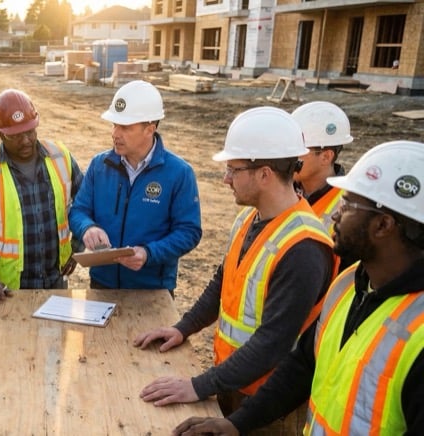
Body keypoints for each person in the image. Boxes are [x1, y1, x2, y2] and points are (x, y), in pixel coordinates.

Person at [173, 140, 424, 436]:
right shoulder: (350, 284)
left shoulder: (417, 332)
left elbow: (276, 343)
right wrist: (236, 423)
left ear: (383, 226)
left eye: (349, 204)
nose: (335, 212)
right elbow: (302, 366)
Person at [134, 107, 335, 433]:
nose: (226, 179)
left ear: (265, 174)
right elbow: (221, 282)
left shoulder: (304, 249)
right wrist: (183, 327)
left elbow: (272, 342)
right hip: (232, 381)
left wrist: (198, 386)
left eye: (233, 169)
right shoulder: (249, 218)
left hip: (267, 407)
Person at [68, 80, 202, 291]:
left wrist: (149, 253)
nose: (115, 133)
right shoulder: (99, 165)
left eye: (125, 127)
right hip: (102, 285)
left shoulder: (179, 173)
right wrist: (87, 227)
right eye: (114, 124)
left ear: (149, 129)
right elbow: (78, 210)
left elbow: (188, 232)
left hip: (152, 290)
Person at [0, 89, 84, 304]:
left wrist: (77, 247)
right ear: (0, 133)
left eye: (30, 132)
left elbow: (85, 204)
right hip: (8, 288)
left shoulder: (61, 157)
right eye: (15, 136)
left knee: (55, 336)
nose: (26, 140)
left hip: (55, 279)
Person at [292, 101, 357, 270]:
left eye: (298, 150)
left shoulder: (350, 209)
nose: (288, 156)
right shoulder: (283, 190)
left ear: (326, 157)